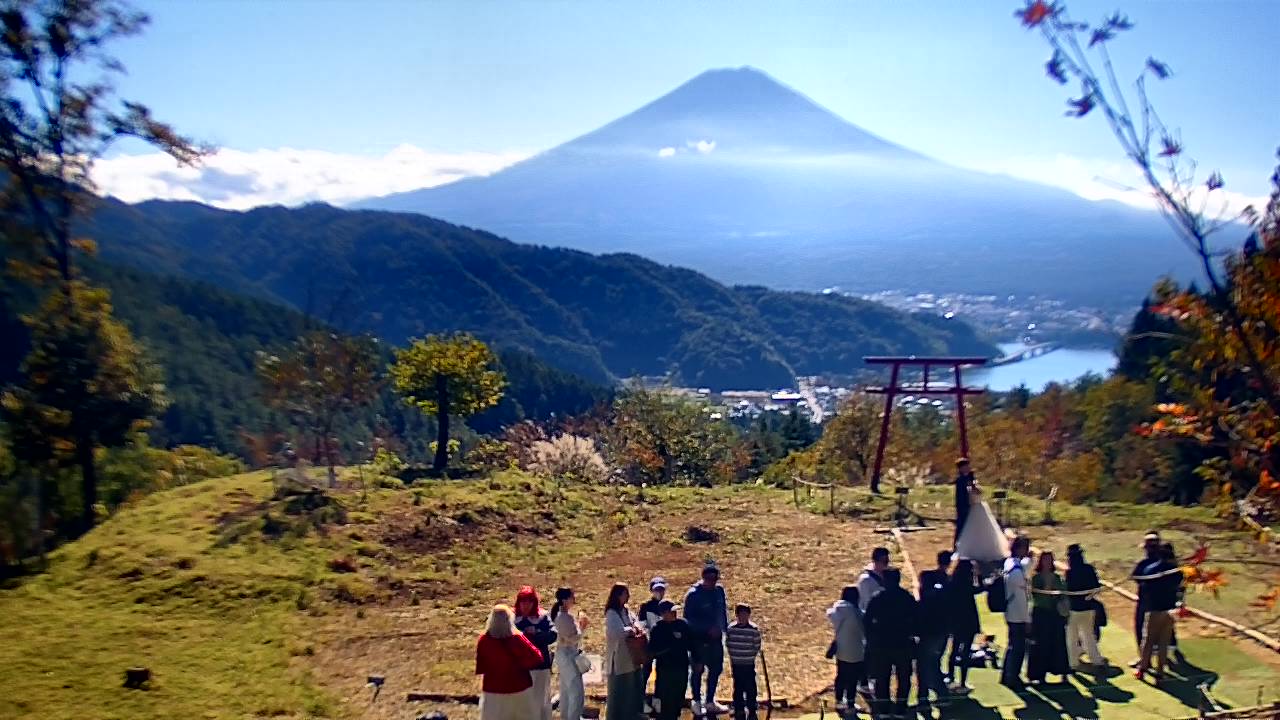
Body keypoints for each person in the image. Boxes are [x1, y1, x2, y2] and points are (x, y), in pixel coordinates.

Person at [864, 568, 917, 719]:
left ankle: (884, 709)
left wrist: (872, 638)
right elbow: (916, 618)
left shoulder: (877, 598)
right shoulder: (906, 597)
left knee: (882, 678)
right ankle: (900, 709)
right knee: (904, 677)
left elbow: (867, 621)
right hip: (903, 643)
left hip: (882, 644)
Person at [476, 604, 544, 720]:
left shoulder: (484, 640)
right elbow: (537, 657)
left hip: (493, 689)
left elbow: (481, 665)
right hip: (519, 687)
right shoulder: (517, 639)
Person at [685, 563, 730, 715]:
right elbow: (689, 620)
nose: (712, 582)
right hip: (699, 640)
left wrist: (722, 628)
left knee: (716, 669)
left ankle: (710, 700)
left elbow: (722, 612)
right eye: (710, 579)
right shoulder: (693, 595)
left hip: (716, 640)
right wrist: (706, 629)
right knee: (698, 670)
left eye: (715, 579)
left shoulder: (719, 591)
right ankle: (696, 700)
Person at [1135, 543, 1181, 682]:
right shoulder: (1176, 571)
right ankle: (1160, 672)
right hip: (1170, 610)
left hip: (1154, 609)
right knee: (1163, 642)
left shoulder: (1150, 569)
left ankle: (1142, 669)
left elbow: (1144, 586)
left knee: (1148, 641)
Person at [648, 599, 699, 720]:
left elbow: (692, 644)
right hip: (665, 669)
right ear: (663, 613)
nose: (675, 614)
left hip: (681, 667)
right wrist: (671, 643)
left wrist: (697, 660)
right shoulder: (658, 628)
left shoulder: (683, 624)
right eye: (671, 612)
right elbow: (653, 650)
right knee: (664, 699)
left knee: (678, 697)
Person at [916, 550, 953, 710]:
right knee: (931, 663)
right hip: (941, 630)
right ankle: (927, 696)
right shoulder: (949, 583)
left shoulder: (929, 578)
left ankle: (935, 695)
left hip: (930, 630)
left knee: (926, 664)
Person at [514, 586, 558, 720]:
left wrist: (536, 635)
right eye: (523, 602)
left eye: (529, 602)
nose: (525, 606)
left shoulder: (542, 617)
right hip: (520, 669)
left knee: (541, 701)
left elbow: (553, 635)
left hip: (540, 667)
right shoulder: (513, 619)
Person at [1027, 551, 1070, 683]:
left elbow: (1063, 593)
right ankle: (1039, 675)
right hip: (1041, 614)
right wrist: (1047, 586)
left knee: (1058, 643)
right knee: (1040, 645)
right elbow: (1036, 596)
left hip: (1055, 614)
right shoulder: (1036, 578)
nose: (1048, 562)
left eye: (1050, 560)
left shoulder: (1057, 577)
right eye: (1045, 560)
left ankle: (1062, 672)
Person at [604, 583, 645, 720]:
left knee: (632, 691)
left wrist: (638, 628)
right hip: (619, 660)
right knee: (619, 692)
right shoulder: (611, 613)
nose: (627, 597)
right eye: (624, 594)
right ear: (617, 596)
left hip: (632, 657)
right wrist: (631, 630)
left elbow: (636, 622)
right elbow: (616, 632)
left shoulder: (627, 611)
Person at [1064, 544, 1106, 670]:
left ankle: (1073, 662)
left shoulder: (1069, 572)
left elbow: (1068, 590)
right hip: (1088, 607)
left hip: (1074, 609)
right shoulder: (1089, 569)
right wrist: (1089, 597)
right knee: (1088, 634)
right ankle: (1096, 660)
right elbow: (1096, 587)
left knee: (1072, 636)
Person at [826, 585, 866, 714]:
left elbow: (830, 614)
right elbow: (863, 630)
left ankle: (838, 701)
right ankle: (850, 702)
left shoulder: (837, 610)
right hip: (856, 651)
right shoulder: (855, 612)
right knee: (853, 679)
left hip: (842, 650)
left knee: (841, 676)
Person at [945, 559, 983, 693]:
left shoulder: (952, 583)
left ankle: (949, 678)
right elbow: (980, 588)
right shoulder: (967, 585)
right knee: (965, 653)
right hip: (968, 621)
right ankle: (962, 682)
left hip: (956, 621)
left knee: (954, 650)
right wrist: (979, 575)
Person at [551, 588, 589, 720]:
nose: (574, 599)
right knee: (576, 691)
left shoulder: (564, 616)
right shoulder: (564, 617)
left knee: (566, 690)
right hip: (567, 655)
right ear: (564, 600)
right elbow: (572, 638)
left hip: (565, 655)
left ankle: (567, 717)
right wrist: (582, 627)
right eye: (572, 597)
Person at [1000, 536, 1032, 689]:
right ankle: (1012, 676)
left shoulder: (1009, 564)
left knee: (1013, 644)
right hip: (1017, 614)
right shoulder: (1017, 572)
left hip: (1011, 611)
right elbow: (1021, 599)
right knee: (1018, 647)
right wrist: (1026, 619)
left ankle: (1007, 674)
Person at [954, 484, 1008, 563]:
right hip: (978, 509)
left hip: (976, 509)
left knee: (981, 529)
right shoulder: (973, 489)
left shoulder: (971, 490)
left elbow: (972, 500)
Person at [726, 604, 763, 720]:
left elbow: (756, 645)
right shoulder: (731, 629)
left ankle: (752, 707)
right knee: (738, 685)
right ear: (736, 615)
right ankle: (738, 708)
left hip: (748, 662)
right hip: (737, 663)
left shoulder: (753, 629)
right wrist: (735, 656)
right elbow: (729, 644)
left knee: (750, 686)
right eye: (740, 614)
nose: (743, 617)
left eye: (745, 614)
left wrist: (749, 656)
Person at [638, 577, 668, 710]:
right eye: (657, 589)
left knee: (662, 672)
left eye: (661, 589)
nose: (659, 592)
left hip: (663, 646)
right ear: (651, 590)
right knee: (646, 672)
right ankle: (641, 700)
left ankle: (658, 699)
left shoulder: (667, 605)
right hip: (649, 645)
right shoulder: (645, 607)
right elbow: (642, 626)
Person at [857, 548, 890, 612]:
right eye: (884, 561)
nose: (886, 564)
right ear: (875, 561)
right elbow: (866, 603)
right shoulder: (865, 580)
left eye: (887, 561)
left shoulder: (888, 575)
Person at [954, 458, 977, 542]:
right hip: (963, 505)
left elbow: (975, 490)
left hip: (971, 504)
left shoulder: (970, 478)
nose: (968, 467)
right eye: (965, 466)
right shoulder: (960, 480)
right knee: (962, 524)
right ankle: (958, 543)